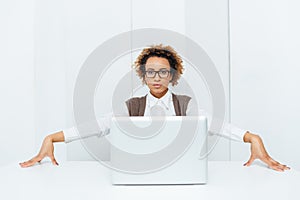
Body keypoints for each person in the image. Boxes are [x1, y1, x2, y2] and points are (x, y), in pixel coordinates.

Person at [20, 44, 290, 171]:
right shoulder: (131, 106)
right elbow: (98, 126)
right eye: (151, 73)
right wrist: (51, 138)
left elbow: (218, 125)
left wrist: (252, 138)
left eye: (163, 72)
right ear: (143, 76)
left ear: (173, 76)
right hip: (139, 177)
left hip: (181, 178)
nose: (157, 78)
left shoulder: (186, 105)